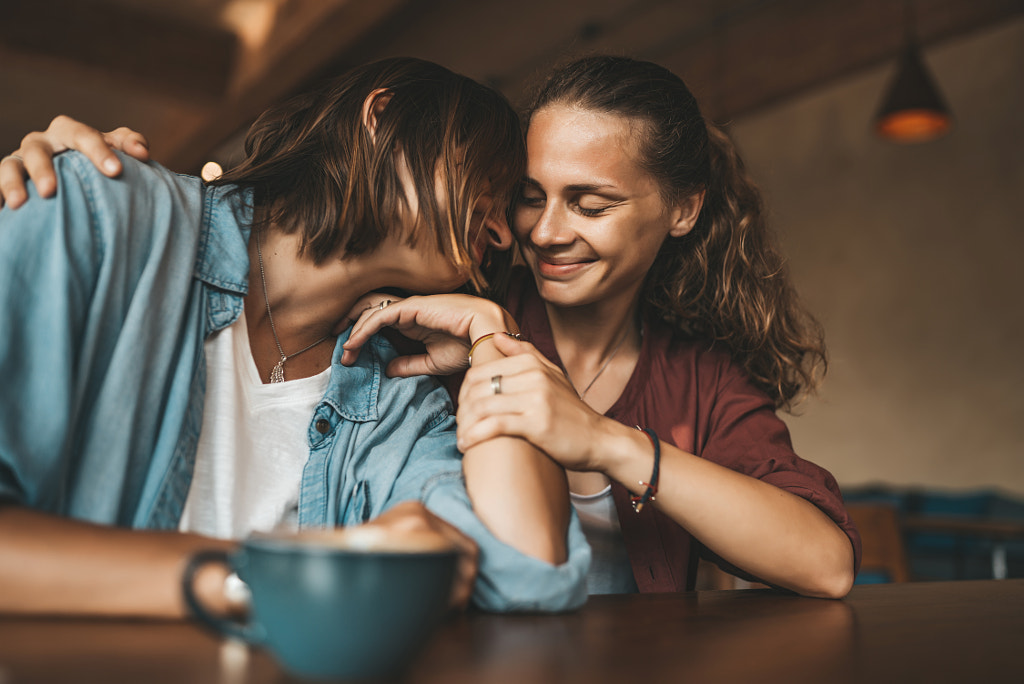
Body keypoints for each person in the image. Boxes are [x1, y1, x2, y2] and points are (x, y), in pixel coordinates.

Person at [2, 55, 860, 598]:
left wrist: (573, 415)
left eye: (589, 202)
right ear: (381, 118)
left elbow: (527, 571)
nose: (524, 233)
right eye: (516, 194)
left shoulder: (421, 354)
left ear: (683, 210)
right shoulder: (111, 217)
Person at [0, 57, 589, 618]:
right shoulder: (98, 210)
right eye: (487, 183)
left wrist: (494, 337)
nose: (503, 234)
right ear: (380, 117)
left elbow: (525, 571)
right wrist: (266, 578)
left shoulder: (400, 395)